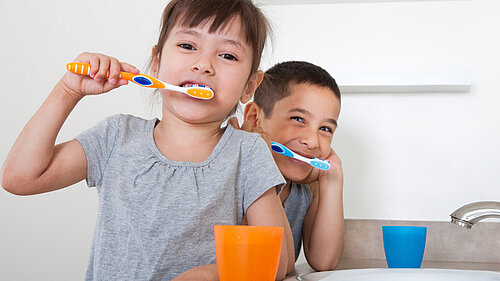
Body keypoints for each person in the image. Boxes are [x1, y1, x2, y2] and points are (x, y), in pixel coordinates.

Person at [0, 0, 294, 280]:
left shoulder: (248, 152)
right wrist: (68, 91)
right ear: (156, 63)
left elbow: (278, 260)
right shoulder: (116, 137)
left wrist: (212, 274)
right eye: (187, 46)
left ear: (249, 87)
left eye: (227, 55)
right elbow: (20, 177)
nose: (203, 65)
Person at [230, 61, 344, 271]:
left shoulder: (304, 188)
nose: (312, 141)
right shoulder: (231, 174)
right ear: (254, 119)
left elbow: (324, 261)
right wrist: (259, 162)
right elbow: (266, 262)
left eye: (325, 129)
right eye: (298, 119)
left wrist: (332, 179)